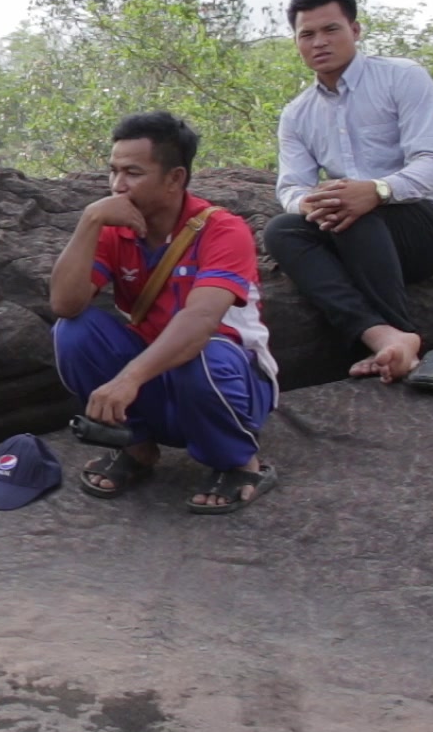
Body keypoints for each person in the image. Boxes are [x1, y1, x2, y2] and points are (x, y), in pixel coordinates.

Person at [49, 112, 280, 513]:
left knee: (203, 357)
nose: (118, 186)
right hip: (158, 378)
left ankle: (241, 463)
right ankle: (136, 449)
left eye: (132, 173)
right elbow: (65, 304)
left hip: (226, 376)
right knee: (73, 331)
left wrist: (127, 379)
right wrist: (89, 221)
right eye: (113, 171)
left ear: (174, 178)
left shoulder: (222, 230)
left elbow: (200, 323)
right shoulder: (114, 227)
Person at [265, 0, 433, 383]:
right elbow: (291, 187)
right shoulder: (297, 114)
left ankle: (393, 341)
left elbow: (430, 165)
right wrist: (306, 204)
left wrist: (377, 191)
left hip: (428, 224)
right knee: (281, 231)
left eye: (331, 30)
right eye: (307, 35)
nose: (319, 42)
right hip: (359, 236)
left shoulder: (402, 78)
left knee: (355, 214)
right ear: (297, 42)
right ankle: (384, 337)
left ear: (355, 30)